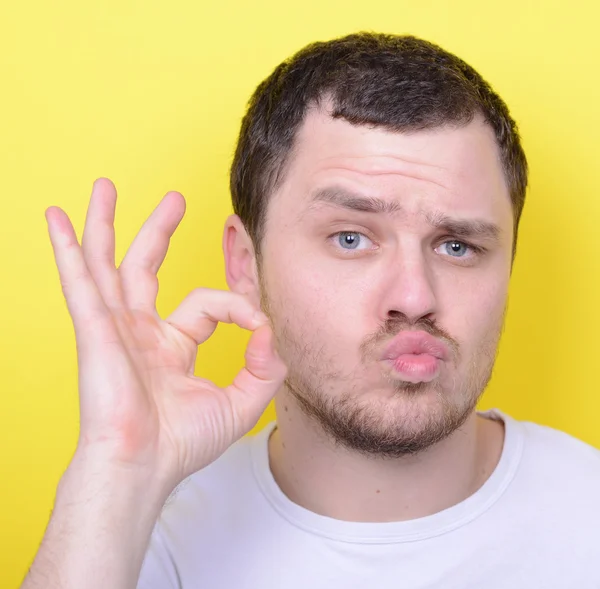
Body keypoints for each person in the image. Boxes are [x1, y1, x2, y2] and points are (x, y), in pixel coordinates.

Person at [22, 32, 600, 589]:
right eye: (351, 238)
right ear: (247, 266)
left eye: (457, 246)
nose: (416, 298)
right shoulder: (134, 537)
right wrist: (116, 469)